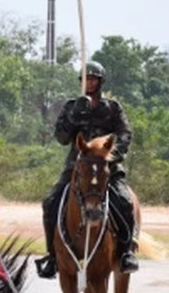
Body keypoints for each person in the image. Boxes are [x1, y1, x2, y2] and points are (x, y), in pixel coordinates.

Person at [34, 61, 139, 279]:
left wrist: (111, 156)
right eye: (85, 79)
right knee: (51, 201)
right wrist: (73, 115)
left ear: (100, 82)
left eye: (93, 79)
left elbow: (125, 134)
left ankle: (126, 252)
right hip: (77, 167)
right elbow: (61, 137)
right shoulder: (72, 105)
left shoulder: (113, 107)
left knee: (124, 201)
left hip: (106, 166)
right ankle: (52, 256)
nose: (89, 83)